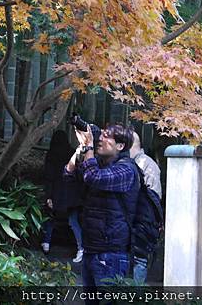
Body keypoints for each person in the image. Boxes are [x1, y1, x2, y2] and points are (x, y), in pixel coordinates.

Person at [65, 123, 139, 288]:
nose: (100, 139)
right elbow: (68, 174)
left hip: (111, 253)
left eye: (107, 136)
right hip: (91, 249)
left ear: (120, 146)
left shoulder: (126, 170)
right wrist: (82, 147)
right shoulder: (98, 163)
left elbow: (94, 177)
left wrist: (89, 147)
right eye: (101, 134)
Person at [41, 130, 85, 263]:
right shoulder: (71, 152)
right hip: (73, 193)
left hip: (57, 192)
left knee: (50, 218)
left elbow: (49, 177)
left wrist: (48, 196)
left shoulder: (52, 155)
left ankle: (46, 243)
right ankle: (81, 248)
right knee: (73, 221)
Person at [129, 131, 162, 284]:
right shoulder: (130, 163)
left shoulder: (147, 165)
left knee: (139, 259)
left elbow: (153, 197)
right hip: (133, 218)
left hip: (143, 220)